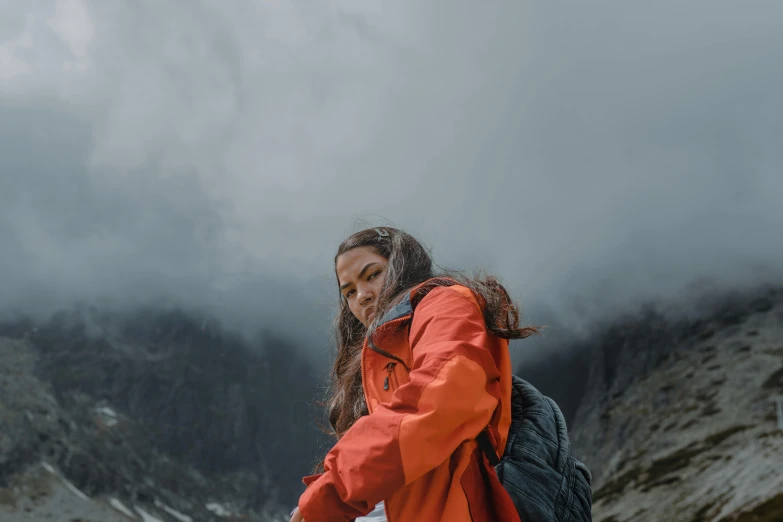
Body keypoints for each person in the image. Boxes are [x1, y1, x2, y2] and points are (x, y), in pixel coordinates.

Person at [290, 227, 539, 522]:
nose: (363, 296)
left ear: (403, 263)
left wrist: (334, 490)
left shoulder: (444, 304)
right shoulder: (374, 356)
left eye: (372, 275)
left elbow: (441, 401)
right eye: (350, 292)